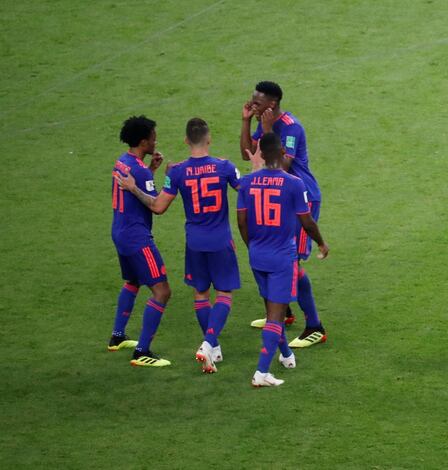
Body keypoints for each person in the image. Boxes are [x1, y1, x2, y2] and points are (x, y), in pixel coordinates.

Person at [117, 118, 242, 373]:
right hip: (220, 240)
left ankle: (214, 348)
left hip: (194, 243)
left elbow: (158, 206)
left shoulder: (176, 172)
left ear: (186, 140)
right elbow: (247, 188)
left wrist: (134, 189)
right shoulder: (225, 167)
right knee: (225, 294)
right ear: (209, 139)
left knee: (200, 295)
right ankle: (208, 344)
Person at [237, 132, 329, 387]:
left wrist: (253, 245)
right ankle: (261, 373)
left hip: (257, 255)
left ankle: (286, 354)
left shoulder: (247, 182)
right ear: (282, 152)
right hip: (282, 258)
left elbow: (242, 222)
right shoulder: (294, 183)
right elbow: (306, 221)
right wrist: (321, 242)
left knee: (271, 311)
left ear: (262, 154)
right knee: (276, 317)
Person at [240, 81, 326, 348]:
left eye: (257, 103)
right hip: (279, 198)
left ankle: (315, 326)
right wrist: (245, 122)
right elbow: (248, 155)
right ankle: (282, 313)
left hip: (302, 198)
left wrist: (266, 131)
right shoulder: (262, 121)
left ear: (272, 104)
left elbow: (283, 164)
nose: (252, 106)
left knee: (292, 265)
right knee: (282, 261)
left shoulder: (291, 127)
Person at [109, 115, 172, 367]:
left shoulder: (122, 162)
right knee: (162, 291)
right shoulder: (138, 170)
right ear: (144, 141)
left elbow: (140, 189)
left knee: (133, 281)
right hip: (137, 238)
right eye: (154, 136)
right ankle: (142, 352)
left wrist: (150, 172)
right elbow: (157, 206)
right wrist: (167, 179)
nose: (156, 140)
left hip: (120, 232)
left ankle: (117, 336)